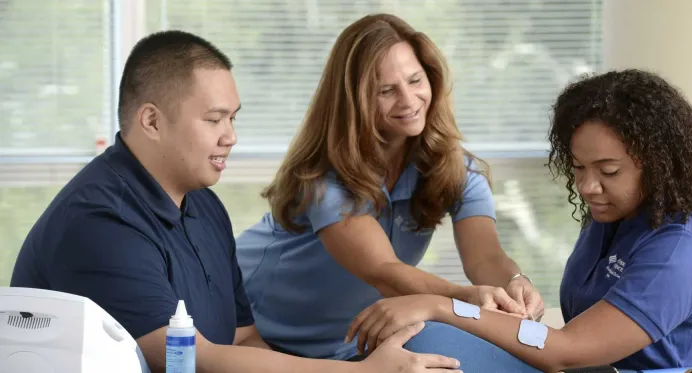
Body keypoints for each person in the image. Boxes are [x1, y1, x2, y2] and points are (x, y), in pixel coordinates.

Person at [10, 30, 463, 373]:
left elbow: (244, 339)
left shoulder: (205, 207)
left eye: (233, 118)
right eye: (214, 120)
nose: (231, 137)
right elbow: (189, 359)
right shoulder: (100, 221)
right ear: (151, 120)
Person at [345, 69, 692, 372]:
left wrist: (440, 305)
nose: (588, 187)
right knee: (417, 344)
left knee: (427, 340)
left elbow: (567, 349)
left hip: (586, 363)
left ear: (660, 166)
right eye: (578, 167)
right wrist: (513, 295)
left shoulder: (681, 251)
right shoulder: (616, 215)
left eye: (608, 171)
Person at [234, 13, 545, 361]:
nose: (409, 100)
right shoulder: (323, 179)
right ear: (355, 101)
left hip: (343, 344)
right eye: (386, 91)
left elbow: (486, 257)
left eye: (415, 80)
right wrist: (466, 298)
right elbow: (383, 273)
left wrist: (514, 285)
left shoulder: (456, 169)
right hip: (251, 327)